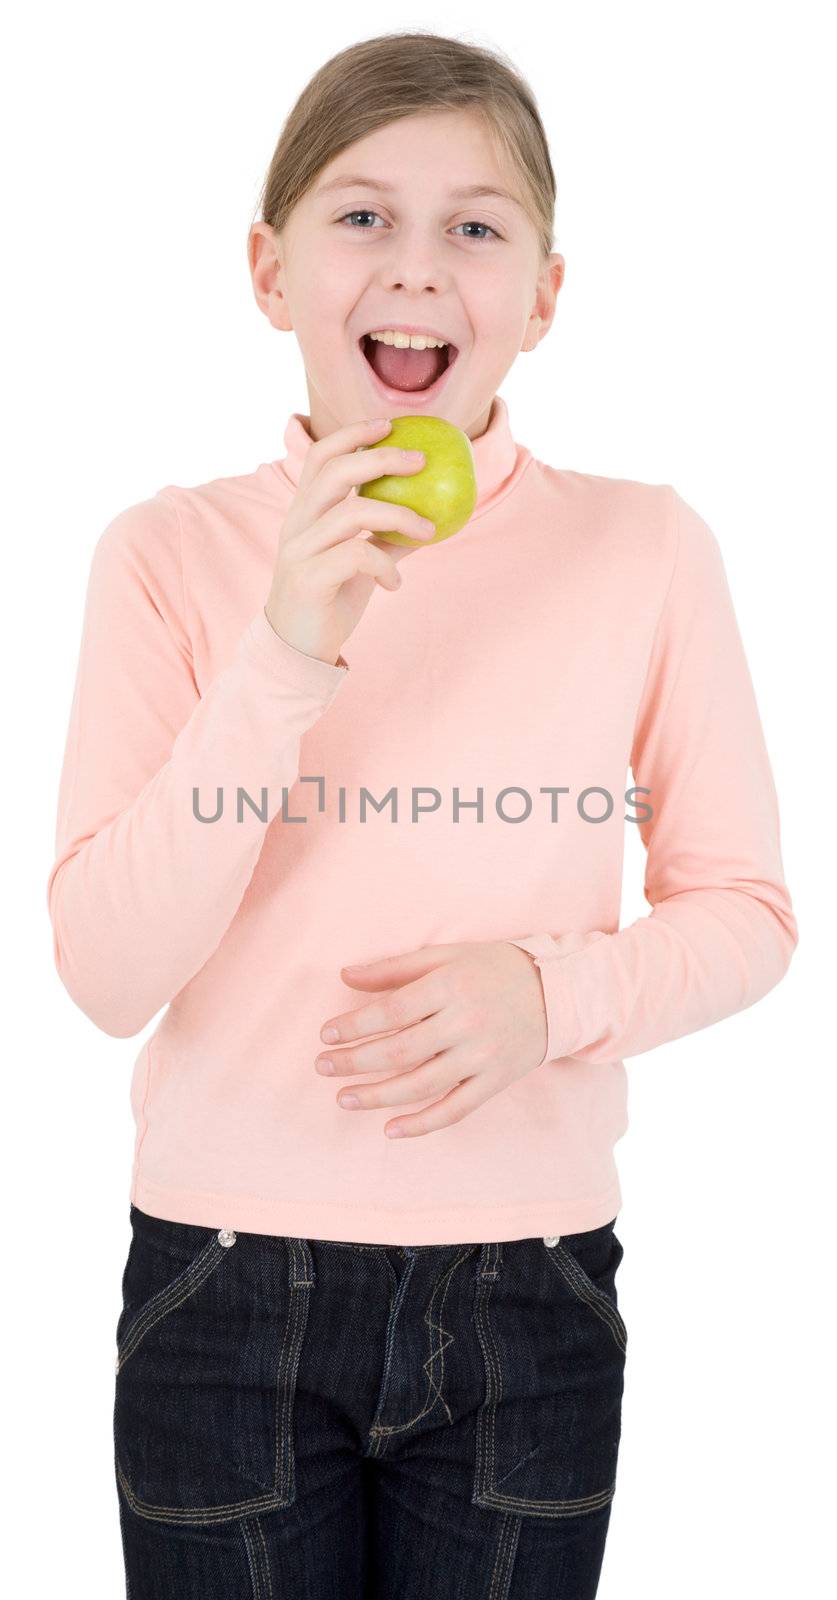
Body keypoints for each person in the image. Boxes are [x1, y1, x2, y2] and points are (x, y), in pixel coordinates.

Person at [45, 29, 799, 1600]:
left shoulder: (643, 548)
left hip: (530, 1289)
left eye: (476, 225)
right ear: (269, 271)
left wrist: (551, 996)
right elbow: (106, 973)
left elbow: (745, 912)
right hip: (222, 1288)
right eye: (361, 215)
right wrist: (286, 647)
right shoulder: (168, 555)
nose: (418, 266)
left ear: (542, 292)